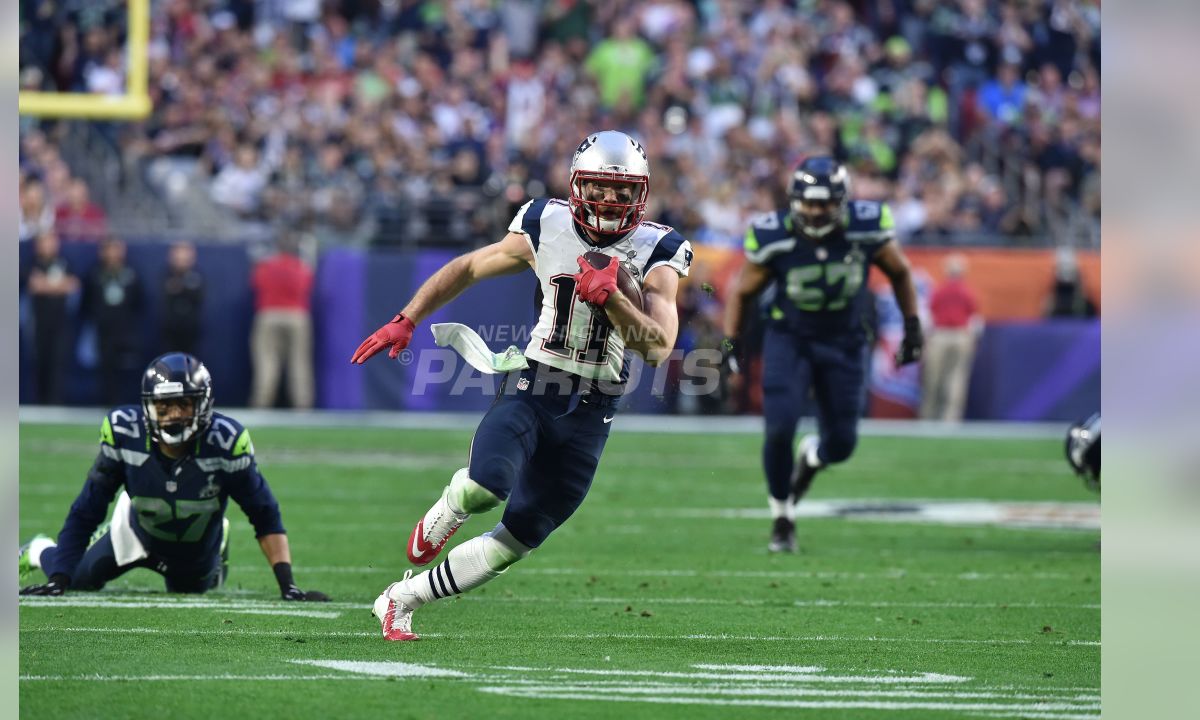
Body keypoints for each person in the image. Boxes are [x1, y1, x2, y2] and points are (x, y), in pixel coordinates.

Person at [351, 130, 691, 641]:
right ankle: (452, 502)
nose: (609, 201)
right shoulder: (546, 222)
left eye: (623, 192)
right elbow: (469, 266)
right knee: (487, 484)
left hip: (594, 411)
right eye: (599, 187)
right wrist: (408, 317)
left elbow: (659, 346)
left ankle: (401, 600)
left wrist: (617, 299)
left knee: (521, 537)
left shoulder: (658, 248)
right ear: (576, 186)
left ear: (641, 195)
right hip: (537, 385)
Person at [722, 156, 922, 553]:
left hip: (845, 341)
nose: (815, 212)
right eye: (809, 203)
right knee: (779, 428)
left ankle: (812, 457)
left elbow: (900, 272)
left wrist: (913, 325)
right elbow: (742, 292)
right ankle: (782, 517)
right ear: (795, 200)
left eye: (824, 203)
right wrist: (733, 341)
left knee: (843, 444)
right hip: (790, 339)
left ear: (842, 202)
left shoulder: (865, 230)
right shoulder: (774, 235)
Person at [18, 352, 328, 601]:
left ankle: (216, 540)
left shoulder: (226, 443)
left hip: (192, 549)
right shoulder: (125, 433)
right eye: (163, 406)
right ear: (148, 407)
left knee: (190, 592)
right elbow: (87, 510)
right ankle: (37, 549)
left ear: (203, 405)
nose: (174, 414)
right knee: (80, 579)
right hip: (135, 531)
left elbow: (264, 514)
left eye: (184, 403)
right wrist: (58, 579)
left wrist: (287, 584)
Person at [250, 230, 315, 409]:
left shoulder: (265, 266)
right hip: (297, 316)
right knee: (299, 362)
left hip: (269, 315)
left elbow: (255, 284)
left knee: (267, 362)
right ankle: (302, 405)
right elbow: (307, 286)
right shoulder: (301, 267)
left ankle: (262, 404)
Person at [83, 236, 145, 405]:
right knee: (105, 367)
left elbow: (139, 301)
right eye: (108, 249)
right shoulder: (95, 272)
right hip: (103, 330)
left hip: (125, 330)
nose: (112, 254)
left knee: (125, 368)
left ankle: (125, 403)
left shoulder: (131, 272)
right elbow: (86, 301)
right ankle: (106, 401)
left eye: (115, 249)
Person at [920, 253, 981, 421]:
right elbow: (974, 319)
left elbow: (928, 317)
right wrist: (973, 339)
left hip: (940, 335)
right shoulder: (967, 292)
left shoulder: (939, 291)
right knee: (956, 378)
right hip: (960, 336)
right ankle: (950, 419)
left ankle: (928, 417)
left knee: (933, 378)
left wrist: (926, 339)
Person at [23, 229, 78, 404]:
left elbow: (72, 285)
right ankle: (40, 402)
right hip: (38, 321)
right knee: (40, 361)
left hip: (60, 322)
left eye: (51, 241)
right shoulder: (32, 262)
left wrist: (47, 284)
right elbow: (34, 285)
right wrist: (57, 285)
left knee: (58, 361)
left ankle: (55, 402)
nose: (48, 246)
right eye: (44, 242)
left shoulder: (65, 262)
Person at [161, 241, 205, 355]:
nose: (181, 261)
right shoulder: (165, 276)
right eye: (178, 257)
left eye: (185, 257)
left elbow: (199, 297)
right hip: (170, 331)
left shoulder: (197, 277)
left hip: (191, 331)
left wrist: (181, 287)